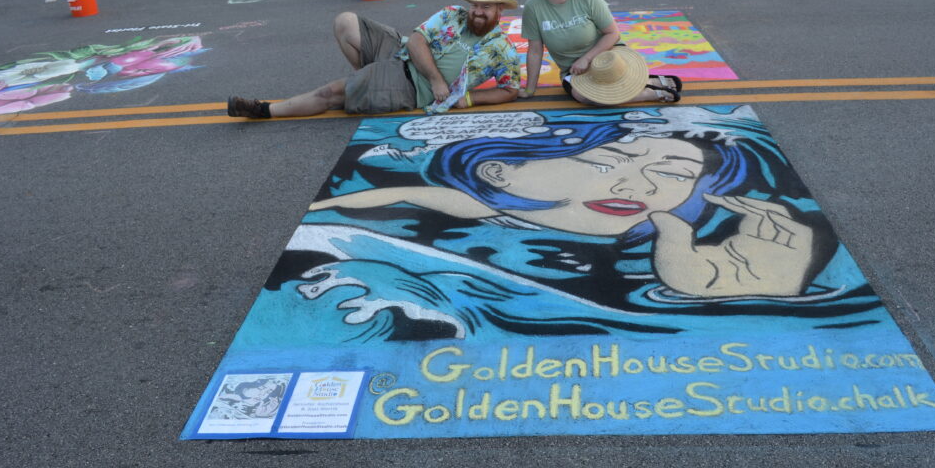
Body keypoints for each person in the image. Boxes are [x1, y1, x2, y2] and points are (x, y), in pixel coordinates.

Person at [308, 115, 827, 299]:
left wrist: (758, 290)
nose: (640, 185)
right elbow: (399, 194)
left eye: (673, 176)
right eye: (606, 162)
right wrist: (327, 207)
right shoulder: (469, 224)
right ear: (498, 171)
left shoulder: (680, 254)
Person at [227, 0, 520, 118]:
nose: (477, 11)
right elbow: (417, 39)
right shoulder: (452, 13)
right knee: (345, 22)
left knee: (332, 93)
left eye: (486, 7)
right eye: (475, 5)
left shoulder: (502, 50)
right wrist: (437, 78)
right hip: (402, 51)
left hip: (409, 85)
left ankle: (264, 110)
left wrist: (468, 100)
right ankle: (368, 78)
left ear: (499, 12)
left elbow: (511, 89)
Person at [518, 0, 681, 106]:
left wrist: (587, 58)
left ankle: (648, 81)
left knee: (611, 80)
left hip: (607, 57)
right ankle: (652, 91)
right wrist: (530, 90)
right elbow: (535, 51)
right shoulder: (533, 7)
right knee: (582, 95)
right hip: (575, 71)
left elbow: (612, 34)